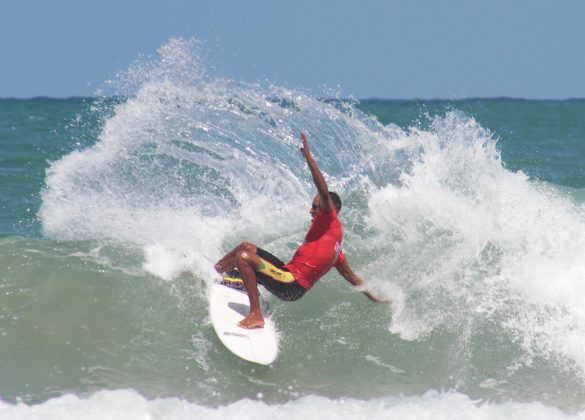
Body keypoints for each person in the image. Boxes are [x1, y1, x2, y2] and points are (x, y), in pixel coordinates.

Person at [214, 132, 385, 329]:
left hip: (291, 284)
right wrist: (375, 297)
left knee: (244, 257)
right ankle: (213, 275)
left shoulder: (329, 219)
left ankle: (256, 315)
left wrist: (309, 158)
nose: (311, 210)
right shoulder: (336, 247)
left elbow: (323, 189)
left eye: (315, 207)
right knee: (245, 247)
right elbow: (352, 277)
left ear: (331, 209)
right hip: (286, 273)